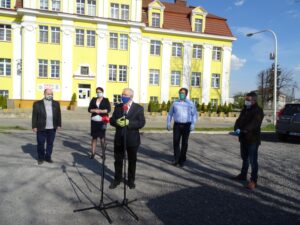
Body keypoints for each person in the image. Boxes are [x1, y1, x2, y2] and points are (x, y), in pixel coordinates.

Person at [109, 88, 145, 189]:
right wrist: (117, 122)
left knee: (132, 161)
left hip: (132, 140)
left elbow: (141, 123)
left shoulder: (138, 108)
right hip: (119, 139)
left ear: (131, 96)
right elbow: (112, 120)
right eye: (122, 94)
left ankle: (131, 180)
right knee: (118, 160)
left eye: (125, 95)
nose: (123, 96)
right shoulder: (118, 107)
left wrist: (129, 123)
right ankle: (117, 179)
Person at [233, 91, 264, 190]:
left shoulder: (258, 111)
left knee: (253, 160)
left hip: (253, 139)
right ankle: (243, 175)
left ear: (254, 101)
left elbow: (254, 124)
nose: (246, 101)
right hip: (243, 138)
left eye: (248, 100)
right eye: (246, 99)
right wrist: (236, 128)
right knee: (244, 158)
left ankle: (253, 180)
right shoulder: (245, 109)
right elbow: (238, 120)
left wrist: (243, 130)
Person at [167, 87, 197, 167]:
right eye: (180, 93)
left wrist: (193, 124)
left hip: (187, 125)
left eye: (183, 93)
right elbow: (170, 114)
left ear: (186, 94)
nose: (181, 94)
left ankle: (182, 159)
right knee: (176, 142)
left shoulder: (190, 103)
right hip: (177, 125)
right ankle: (176, 159)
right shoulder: (175, 103)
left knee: (184, 143)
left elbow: (194, 115)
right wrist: (168, 123)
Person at [32, 88, 61, 165]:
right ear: (44, 94)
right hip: (41, 127)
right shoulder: (37, 104)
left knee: (50, 143)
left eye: (51, 94)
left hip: (52, 128)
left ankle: (48, 157)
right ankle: (41, 158)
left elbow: (58, 115)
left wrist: (59, 124)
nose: (50, 95)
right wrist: (34, 126)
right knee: (40, 143)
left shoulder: (56, 103)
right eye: (48, 94)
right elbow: (34, 116)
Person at [88, 87, 111, 159]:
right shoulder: (94, 99)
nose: (98, 93)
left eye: (100, 92)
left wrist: (101, 111)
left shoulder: (106, 100)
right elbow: (89, 109)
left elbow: (108, 110)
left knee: (102, 137)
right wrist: (94, 110)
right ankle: (93, 153)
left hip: (103, 121)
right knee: (94, 137)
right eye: (97, 92)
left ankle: (103, 154)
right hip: (94, 120)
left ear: (102, 92)